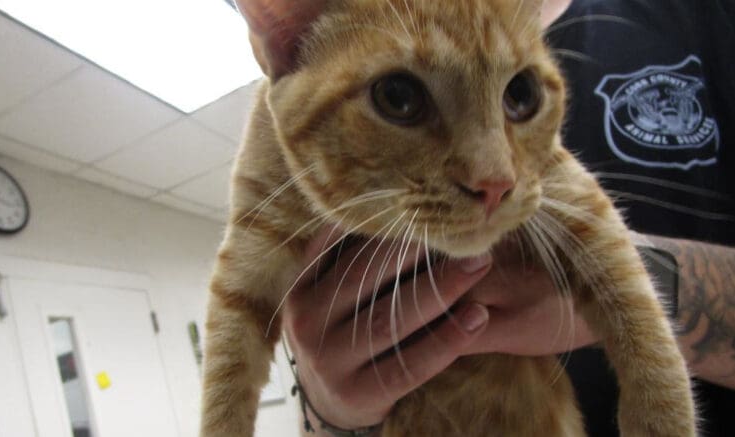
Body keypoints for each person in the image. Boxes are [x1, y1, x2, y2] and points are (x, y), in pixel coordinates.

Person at [282, 0, 735, 436]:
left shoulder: (698, 14)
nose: (492, 179)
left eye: (520, 96)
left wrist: (624, 284)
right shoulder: (337, 52)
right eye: (399, 98)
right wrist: (330, 417)